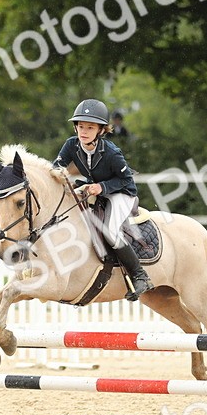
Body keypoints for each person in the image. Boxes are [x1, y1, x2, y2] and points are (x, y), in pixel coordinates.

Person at [52, 98, 155, 301]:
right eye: (81, 126)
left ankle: (140, 276)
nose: (84, 131)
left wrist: (103, 187)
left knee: (109, 230)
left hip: (121, 193)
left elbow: (126, 179)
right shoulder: (71, 145)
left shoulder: (111, 152)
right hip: (94, 189)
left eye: (90, 127)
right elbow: (57, 166)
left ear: (101, 130)